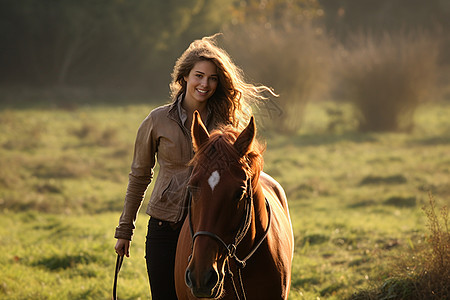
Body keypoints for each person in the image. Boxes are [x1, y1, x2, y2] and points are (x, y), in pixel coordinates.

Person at [114, 34, 275, 299]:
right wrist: (124, 230)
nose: (205, 84)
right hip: (166, 224)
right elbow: (139, 176)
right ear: (184, 77)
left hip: (210, 226)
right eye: (199, 75)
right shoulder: (157, 121)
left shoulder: (226, 126)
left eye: (213, 78)